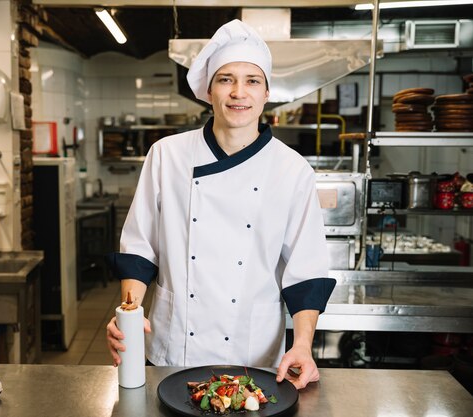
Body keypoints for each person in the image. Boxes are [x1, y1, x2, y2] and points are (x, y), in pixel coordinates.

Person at [106, 19, 335, 390]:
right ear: (209, 90)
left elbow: (307, 272)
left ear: (266, 92)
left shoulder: (292, 169)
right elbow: (138, 249)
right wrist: (128, 315)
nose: (238, 92)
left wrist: (304, 346)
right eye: (226, 79)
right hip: (174, 346)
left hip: (255, 353)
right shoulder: (166, 155)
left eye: (252, 80)